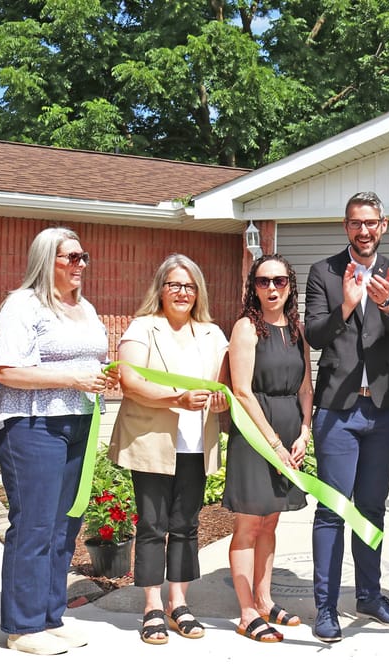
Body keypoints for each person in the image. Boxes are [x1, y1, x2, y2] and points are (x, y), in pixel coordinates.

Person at [0, 227, 117, 655]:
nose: (80, 265)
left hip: (77, 424)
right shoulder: (23, 304)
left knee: (64, 525)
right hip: (32, 425)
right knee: (35, 525)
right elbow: (5, 370)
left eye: (83, 257)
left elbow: (93, 360)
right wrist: (71, 377)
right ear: (46, 260)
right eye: (70, 257)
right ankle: (22, 628)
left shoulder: (85, 308)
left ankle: (50, 617)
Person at [304, 191, 389, 642]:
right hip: (337, 411)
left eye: (371, 223)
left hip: (384, 410)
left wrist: (386, 304)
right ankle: (326, 607)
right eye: (356, 223)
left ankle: (369, 596)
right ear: (345, 226)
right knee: (333, 509)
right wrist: (346, 305)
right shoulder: (323, 273)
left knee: (371, 508)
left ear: (382, 225)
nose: (364, 230)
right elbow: (313, 335)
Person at [109, 254, 229, 645]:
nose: (182, 292)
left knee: (186, 524)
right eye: (174, 285)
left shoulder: (213, 333)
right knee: (152, 525)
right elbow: (129, 382)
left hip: (195, 443)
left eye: (189, 286)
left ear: (199, 292)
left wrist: (223, 401)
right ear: (160, 289)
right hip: (152, 442)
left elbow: (224, 385)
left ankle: (179, 602)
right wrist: (177, 398)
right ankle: (151, 606)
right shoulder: (143, 328)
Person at [222, 254, 314, 643]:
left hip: (290, 432)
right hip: (255, 434)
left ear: (290, 285)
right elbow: (241, 390)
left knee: (272, 520)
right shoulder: (246, 328)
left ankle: (264, 599)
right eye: (263, 282)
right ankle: (245, 612)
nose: (271, 288)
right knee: (248, 523)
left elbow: (307, 387)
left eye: (279, 281)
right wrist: (273, 443)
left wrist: (305, 432)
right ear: (253, 288)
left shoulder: (298, 329)